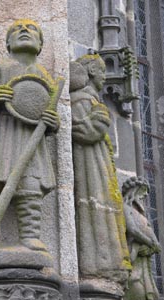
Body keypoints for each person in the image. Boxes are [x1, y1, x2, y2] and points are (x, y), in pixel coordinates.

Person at [0, 19, 60, 252]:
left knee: (30, 187)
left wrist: (52, 123)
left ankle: (30, 236)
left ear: (40, 44)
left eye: (31, 29)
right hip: (0, 133)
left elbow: (49, 113)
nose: (24, 31)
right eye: (16, 30)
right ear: (8, 43)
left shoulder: (44, 75)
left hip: (30, 139)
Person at [70, 52, 131, 280]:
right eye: (102, 71)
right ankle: (99, 266)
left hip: (97, 165)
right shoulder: (82, 100)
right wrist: (100, 118)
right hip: (89, 169)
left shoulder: (90, 100)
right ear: (92, 71)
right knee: (94, 214)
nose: (105, 77)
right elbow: (84, 131)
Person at [123, 177, 161, 300]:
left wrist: (153, 245)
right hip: (133, 260)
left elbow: (157, 246)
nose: (145, 195)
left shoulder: (142, 216)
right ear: (133, 190)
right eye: (143, 190)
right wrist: (149, 242)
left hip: (145, 264)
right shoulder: (125, 208)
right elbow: (132, 230)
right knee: (136, 289)